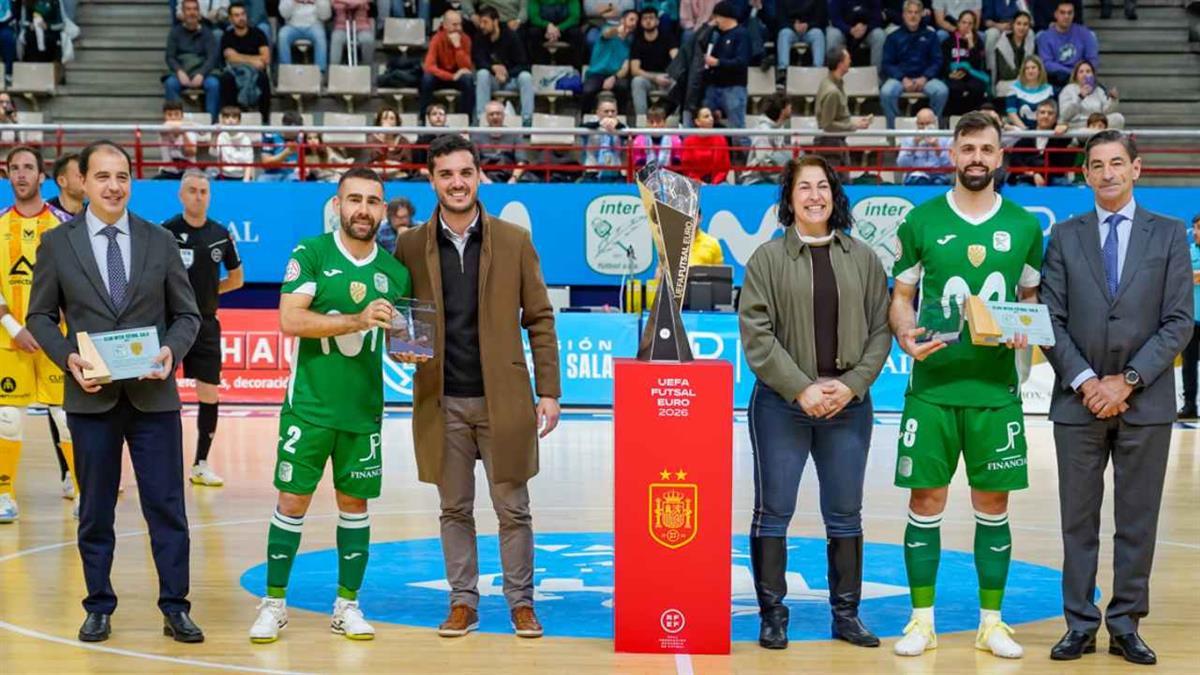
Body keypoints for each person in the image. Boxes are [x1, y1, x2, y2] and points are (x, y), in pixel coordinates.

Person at [26, 140, 203, 644]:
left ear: (132, 181)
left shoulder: (160, 240)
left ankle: (176, 606)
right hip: (91, 398)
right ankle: (98, 605)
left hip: (154, 398)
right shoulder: (58, 244)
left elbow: (187, 314)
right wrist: (67, 358)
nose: (113, 186)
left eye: (122, 176)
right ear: (82, 181)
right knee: (95, 510)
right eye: (102, 176)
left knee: (167, 507)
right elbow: (40, 314)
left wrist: (171, 350)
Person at [393, 134, 561, 640]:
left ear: (479, 175)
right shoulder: (408, 246)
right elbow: (401, 321)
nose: (457, 182)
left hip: (503, 400)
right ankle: (463, 601)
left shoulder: (513, 240)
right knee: (454, 508)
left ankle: (521, 604)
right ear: (432, 181)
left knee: (514, 509)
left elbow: (540, 318)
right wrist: (399, 345)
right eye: (446, 174)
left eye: (465, 172)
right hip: (442, 402)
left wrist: (548, 391)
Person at [888, 112, 1043, 659]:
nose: (977, 158)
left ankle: (992, 623)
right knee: (925, 499)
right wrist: (905, 336)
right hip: (931, 387)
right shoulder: (921, 220)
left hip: (994, 392)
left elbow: (1029, 301)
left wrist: (1025, 332)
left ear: (1001, 158)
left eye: (987, 149)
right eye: (968, 148)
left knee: (993, 502)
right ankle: (921, 621)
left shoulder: (1025, 226)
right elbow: (902, 298)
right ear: (952, 155)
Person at [1040, 130, 1192, 666]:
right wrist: (1086, 380)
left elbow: (1178, 323)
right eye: (1097, 165)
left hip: (1143, 404)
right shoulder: (1063, 235)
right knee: (1077, 522)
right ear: (1084, 174)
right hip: (1076, 403)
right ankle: (1079, 623)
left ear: (1137, 168)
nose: (1107, 173)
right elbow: (1049, 320)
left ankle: (1126, 623)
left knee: (1137, 521)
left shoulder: (1170, 234)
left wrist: (1125, 380)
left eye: (1116, 163)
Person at [247, 167, 414, 644]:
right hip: (309, 408)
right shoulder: (312, 253)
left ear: (383, 211)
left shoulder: (394, 272)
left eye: (373, 201)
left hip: (362, 413)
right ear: (338, 205)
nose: (363, 209)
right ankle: (274, 604)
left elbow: (404, 338)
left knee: (355, 505)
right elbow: (290, 320)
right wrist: (357, 319)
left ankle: (347, 605)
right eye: (354, 200)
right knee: (292, 501)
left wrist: (406, 346)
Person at [739, 154, 891, 650]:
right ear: (788, 199)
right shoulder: (766, 259)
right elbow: (757, 336)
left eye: (822, 186)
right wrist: (801, 387)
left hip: (849, 403)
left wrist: (851, 386)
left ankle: (846, 615)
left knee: (846, 514)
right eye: (803, 188)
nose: (814, 196)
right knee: (773, 511)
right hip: (782, 406)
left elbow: (880, 330)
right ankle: (772, 615)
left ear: (834, 195)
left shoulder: (864, 258)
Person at [0, 146, 76, 523]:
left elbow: (76, 282)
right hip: (7, 340)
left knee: (66, 417)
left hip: (55, 339)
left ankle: (80, 490)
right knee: (7, 418)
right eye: (15, 168)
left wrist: (47, 327)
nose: (22, 174)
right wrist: (14, 327)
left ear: (41, 175)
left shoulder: (63, 224)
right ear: (7, 175)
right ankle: (3, 494)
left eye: (28, 167)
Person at [161, 171, 244, 488]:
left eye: (204, 191)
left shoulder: (221, 234)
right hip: (170, 323)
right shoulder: (166, 232)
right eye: (192, 191)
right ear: (181, 195)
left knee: (209, 393)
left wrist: (207, 295)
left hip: (206, 324)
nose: (198, 196)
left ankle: (201, 463)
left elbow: (237, 279)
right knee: (159, 392)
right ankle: (162, 462)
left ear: (210, 196)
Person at [880, 0, 948, 128]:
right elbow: (887, 63)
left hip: (925, 78)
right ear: (903, 15)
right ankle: (895, 131)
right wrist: (902, 78)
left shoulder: (931, 35)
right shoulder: (893, 37)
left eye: (916, 12)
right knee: (886, 92)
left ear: (922, 14)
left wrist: (925, 77)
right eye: (909, 12)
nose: (913, 16)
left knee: (941, 91)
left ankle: (932, 127)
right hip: (900, 79)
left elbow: (937, 61)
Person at [473, 6, 535, 125]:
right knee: (482, 74)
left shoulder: (511, 35)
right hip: (492, 81)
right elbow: (478, 60)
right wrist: (493, 68)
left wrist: (506, 73)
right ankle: (482, 119)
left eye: (485, 22)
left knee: (526, 77)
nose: (482, 26)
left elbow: (524, 64)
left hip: (511, 80)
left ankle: (527, 120)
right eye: (480, 22)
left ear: (495, 21)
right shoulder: (479, 37)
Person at [165, 0, 223, 122]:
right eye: (188, 9)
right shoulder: (175, 32)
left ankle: (211, 124)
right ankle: (175, 122)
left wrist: (201, 73)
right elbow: (170, 57)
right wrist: (179, 71)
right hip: (182, 71)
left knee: (214, 84)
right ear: (183, 12)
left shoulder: (207, 33)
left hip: (202, 72)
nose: (192, 13)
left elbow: (211, 57)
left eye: (195, 9)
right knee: (170, 83)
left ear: (199, 12)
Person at [815, 46, 872, 169]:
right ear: (840, 64)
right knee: (837, 182)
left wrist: (854, 122)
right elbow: (827, 125)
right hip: (830, 145)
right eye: (848, 59)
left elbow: (836, 117)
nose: (850, 61)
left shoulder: (832, 83)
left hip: (835, 142)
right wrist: (854, 125)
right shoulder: (832, 92)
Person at [702, 2, 751, 145]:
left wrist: (717, 62)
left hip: (734, 88)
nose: (715, 21)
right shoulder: (718, 36)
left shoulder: (742, 34)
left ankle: (743, 164)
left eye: (716, 17)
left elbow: (741, 62)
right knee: (704, 124)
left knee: (738, 130)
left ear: (723, 17)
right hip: (714, 86)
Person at [219, 1, 272, 118]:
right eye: (236, 15)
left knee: (263, 78)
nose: (241, 18)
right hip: (235, 71)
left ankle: (265, 120)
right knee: (226, 79)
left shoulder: (258, 34)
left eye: (243, 14)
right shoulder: (227, 36)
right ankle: (231, 117)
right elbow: (230, 58)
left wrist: (239, 56)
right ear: (231, 19)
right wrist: (253, 60)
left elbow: (266, 58)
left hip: (255, 72)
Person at [420, 9, 474, 122]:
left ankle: (466, 121)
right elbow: (429, 66)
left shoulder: (465, 39)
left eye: (460, 24)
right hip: (441, 77)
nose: (459, 28)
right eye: (455, 25)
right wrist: (451, 76)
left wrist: (458, 47)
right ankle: (424, 119)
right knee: (426, 78)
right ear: (445, 25)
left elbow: (467, 67)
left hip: (458, 77)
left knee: (468, 80)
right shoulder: (437, 39)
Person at [1007, 98, 1073, 186]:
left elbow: (1069, 139)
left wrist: (1066, 127)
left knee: (1068, 187)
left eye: (1050, 113)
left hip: (1052, 179)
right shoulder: (1027, 135)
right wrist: (1032, 174)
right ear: (1036, 116)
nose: (1046, 116)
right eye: (1042, 112)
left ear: (1055, 118)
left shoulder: (1059, 137)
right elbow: (1015, 160)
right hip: (1027, 179)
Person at [1035, 1, 1097, 90]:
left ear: (1074, 14)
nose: (1066, 16)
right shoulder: (1045, 37)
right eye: (1062, 12)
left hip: (1081, 80)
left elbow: (1092, 60)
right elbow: (1046, 63)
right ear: (1056, 14)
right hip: (1057, 80)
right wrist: (1072, 72)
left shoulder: (1085, 33)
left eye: (1069, 13)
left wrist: (1081, 73)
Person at [629, 7, 679, 117]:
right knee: (637, 81)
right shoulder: (637, 41)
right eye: (645, 18)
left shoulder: (668, 37)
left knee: (678, 82)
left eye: (651, 18)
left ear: (657, 21)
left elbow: (677, 60)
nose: (648, 21)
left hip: (666, 76)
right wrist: (654, 78)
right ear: (641, 22)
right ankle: (642, 122)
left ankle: (674, 122)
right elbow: (634, 70)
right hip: (647, 78)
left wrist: (669, 75)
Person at [942, 9, 988, 116]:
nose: (966, 26)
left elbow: (978, 64)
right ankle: (953, 118)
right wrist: (949, 73)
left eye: (970, 23)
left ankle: (973, 116)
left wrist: (971, 43)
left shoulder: (978, 42)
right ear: (958, 23)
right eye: (963, 22)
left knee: (977, 87)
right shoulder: (948, 41)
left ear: (974, 26)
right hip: (953, 75)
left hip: (972, 74)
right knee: (955, 88)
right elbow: (944, 61)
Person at [742, 92, 793, 184]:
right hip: (757, 180)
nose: (791, 107)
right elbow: (763, 162)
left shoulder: (780, 127)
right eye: (789, 105)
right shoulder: (763, 132)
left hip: (775, 176)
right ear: (783, 109)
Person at [1058, 61, 1124, 131]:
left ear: (1093, 75)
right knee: (1084, 130)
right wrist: (1080, 97)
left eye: (1088, 71)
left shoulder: (1098, 90)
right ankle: (1099, 135)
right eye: (1081, 72)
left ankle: (1098, 134)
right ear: (1076, 76)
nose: (1085, 74)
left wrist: (1113, 99)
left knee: (1118, 118)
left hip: (1098, 124)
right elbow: (1064, 115)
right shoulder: (1068, 89)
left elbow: (1106, 112)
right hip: (1079, 125)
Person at [896, 106, 952, 184]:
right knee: (919, 181)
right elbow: (901, 165)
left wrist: (937, 148)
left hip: (939, 175)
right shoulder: (908, 138)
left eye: (928, 124)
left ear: (935, 122)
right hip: (915, 175)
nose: (925, 127)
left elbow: (950, 166)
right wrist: (914, 145)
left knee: (938, 183)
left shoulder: (945, 138)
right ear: (916, 124)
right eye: (921, 124)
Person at [680, 107, 732, 184]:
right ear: (697, 121)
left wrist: (714, 183)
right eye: (706, 116)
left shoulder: (721, 139)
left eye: (711, 116)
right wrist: (699, 182)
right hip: (695, 182)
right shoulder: (688, 141)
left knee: (726, 189)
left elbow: (724, 167)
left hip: (718, 182)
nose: (711, 118)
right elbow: (687, 169)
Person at [277, 0, 332, 73]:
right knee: (282, 35)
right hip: (292, 25)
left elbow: (325, 16)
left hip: (314, 25)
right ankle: (285, 71)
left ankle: (320, 72)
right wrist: (293, 2)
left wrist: (318, 2)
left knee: (320, 36)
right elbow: (284, 14)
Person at [989, 10, 1032, 100]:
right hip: (1006, 83)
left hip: (1026, 81)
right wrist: (1024, 75)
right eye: (1019, 24)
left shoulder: (1030, 43)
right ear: (1012, 25)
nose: (1022, 27)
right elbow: (1005, 73)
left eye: (1025, 24)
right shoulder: (1002, 44)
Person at [776, 0, 828, 74]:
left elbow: (822, 19)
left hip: (810, 29)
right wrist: (793, 26)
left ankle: (818, 70)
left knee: (818, 34)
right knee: (783, 34)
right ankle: (783, 71)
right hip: (790, 29)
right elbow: (780, 19)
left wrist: (808, 25)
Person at [1182, 213, 1200, 420]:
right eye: (1194, 228)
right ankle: (1189, 406)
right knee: (1188, 366)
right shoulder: (1187, 253)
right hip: (1191, 319)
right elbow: (1182, 276)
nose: (1196, 232)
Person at [1005, 54, 1052, 130]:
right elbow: (1011, 113)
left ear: (1039, 70)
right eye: (1027, 68)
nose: (1030, 71)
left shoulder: (1048, 89)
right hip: (1020, 131)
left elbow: (1050, 113)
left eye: (1033, 68)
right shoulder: (1014, 88)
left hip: (1043, 131)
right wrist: (1025, 130)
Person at [630, 104, 682, 168]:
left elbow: (677, 162)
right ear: (647, 122)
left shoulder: (675, 139)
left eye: (658, 122)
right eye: (651, 122)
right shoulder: (639, 140)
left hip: (668, 175)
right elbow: (637, 162)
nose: (654, 125)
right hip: (646, 176)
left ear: (665, 122)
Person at [215, 106, 256, 181]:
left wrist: (245, 182)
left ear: (239, 121)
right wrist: (214, 134)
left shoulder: (245, 139)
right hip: (223, 176)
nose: (230, 120)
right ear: (222, 120)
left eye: (234, 117)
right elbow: (213, 153)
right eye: (227, 117)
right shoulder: (220, 136)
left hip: (241, 177)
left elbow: (249, 163)